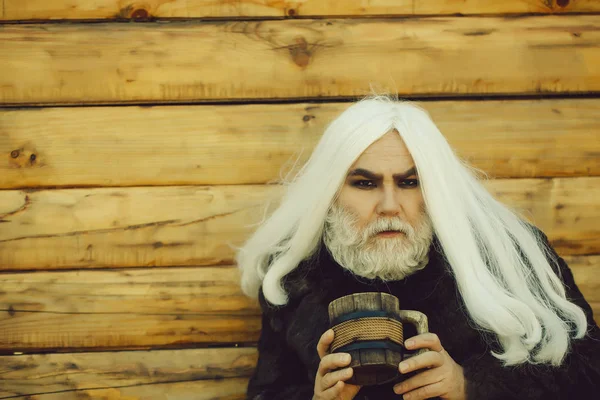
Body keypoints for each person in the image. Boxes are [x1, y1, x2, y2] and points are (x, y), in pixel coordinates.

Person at [235, 95, 600, 399]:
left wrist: (471, 385)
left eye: (409, 182)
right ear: (330, 193)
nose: (390, 205)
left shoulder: (505, 254)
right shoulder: (295, 274)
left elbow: (589, 369)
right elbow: (267, 391)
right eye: (365, 184)